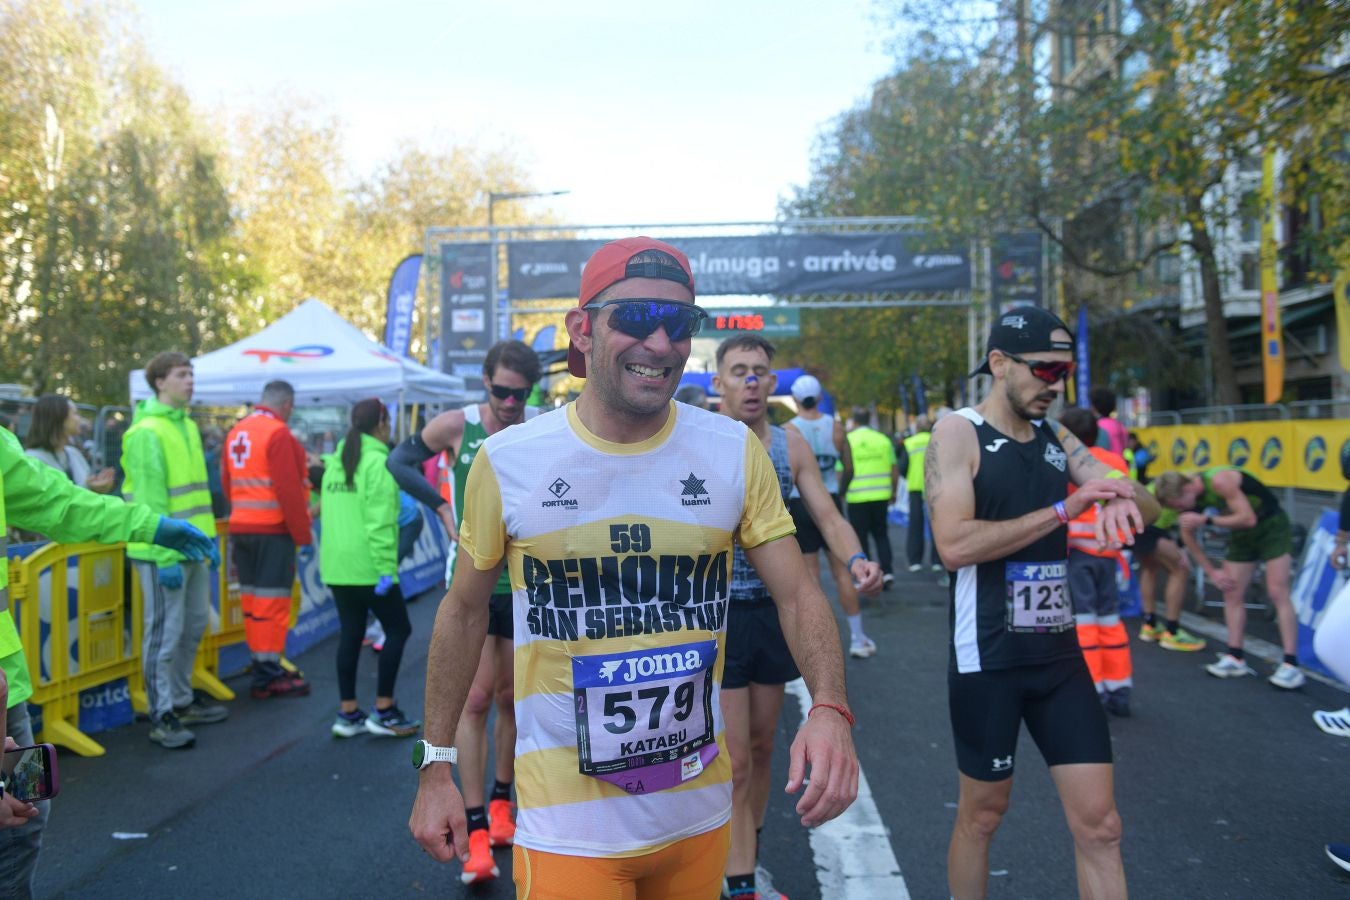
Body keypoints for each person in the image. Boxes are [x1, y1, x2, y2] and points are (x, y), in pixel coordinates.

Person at [409, 237, 859, 898]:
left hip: (697, 820)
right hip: (568, 831)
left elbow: (795, 592)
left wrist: (829, 707)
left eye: (678, 323)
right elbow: (463, 609)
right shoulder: (509, 461)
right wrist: (436, 766)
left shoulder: (733, 452)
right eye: (635, 318)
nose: (659, 341)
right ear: (582, 329)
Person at [926, 305, 1157, 900]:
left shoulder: (1057, 437)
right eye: (1046, 370)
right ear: (1000, 364)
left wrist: (1122, 497)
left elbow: (1149, 505)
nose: (1055, 384)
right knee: (982, 816)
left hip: (1058, 657)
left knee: (1102, 827)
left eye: (1065, 373)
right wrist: (1065, 510)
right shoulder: (959, 432)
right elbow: (953, 545)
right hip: (990, 658)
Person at [0, 423, 216, 895]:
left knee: (24, 821)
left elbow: (59, 502)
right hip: (1, 699)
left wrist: (150, 526)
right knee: (16, 830)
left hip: (7, 694)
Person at [716, 340, 882, 899]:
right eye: (739, 372)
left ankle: (747, 856)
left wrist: (856, 558)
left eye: (760, 373)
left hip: (773, 613)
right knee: (734, 759)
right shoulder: (698, 439)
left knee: (763, 747)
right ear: (720, 381)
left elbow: (828, 515)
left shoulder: (790, 445)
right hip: (715, 619)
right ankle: (739, 883)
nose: (751, 382)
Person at [387, 339, 542, 883]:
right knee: (475, 701)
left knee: (513, 699)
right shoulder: (457, 426)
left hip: (525, 588)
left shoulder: (539, 426)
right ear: (485, 382)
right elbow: (398, 460)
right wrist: (440, 506)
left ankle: (503, 803)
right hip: (474, 587)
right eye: (501, 391)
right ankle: (475, 830)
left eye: (520, 394)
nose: (509, 402)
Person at [122, 351, 229, 750]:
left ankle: (182, 701)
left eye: (191, 374)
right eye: (182, 374)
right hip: (162, 554)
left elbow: (194, 499)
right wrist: (166, 555)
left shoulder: (183, 424)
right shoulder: (148, 431)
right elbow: (150, 503)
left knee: (193, 625)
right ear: (159, 381)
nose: (190, 381)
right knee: (163, 637)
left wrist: (205, 544)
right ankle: (161, 714)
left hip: (191, 549)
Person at [1154, 468, 1305, 688]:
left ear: (1186, 489)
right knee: (1231, 591)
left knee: (1277, 591)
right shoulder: (1191, 500)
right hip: (1241, 535)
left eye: (1178, 504)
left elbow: (1248, 518)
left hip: (1270, 526)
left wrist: (1206, 519)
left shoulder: (1220, 480)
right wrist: (1212, 572)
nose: (1180, 509)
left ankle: (1291, 664)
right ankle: (1235, 656)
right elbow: (1187, 535)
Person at [322, 399, 419, 739]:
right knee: (398, 630)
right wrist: (385, 570)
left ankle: (348, 713)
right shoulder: (379, 463)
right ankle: (384, 710)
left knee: (350, 634)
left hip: (338, 566)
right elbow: (379, 524)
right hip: (368, 567)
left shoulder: (336, 462)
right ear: (382, 423)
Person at [222, 380, 314, 700]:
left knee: (252, 603)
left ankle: (262, 665)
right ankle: (268, 672)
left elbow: (226, 481)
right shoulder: (278, 434)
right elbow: (288, 491)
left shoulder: (237, 431)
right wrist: (303, 536)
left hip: (241, 529)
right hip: (272, 532)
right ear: (287, 404)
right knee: (273, 605)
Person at [786, 373, 877, 659]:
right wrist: (839, 491)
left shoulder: (789, 430)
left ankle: (815, 647)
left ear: (795, 400)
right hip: (830, 497)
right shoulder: (835, 427)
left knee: (810, 579)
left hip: (800, 502)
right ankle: (858, 638)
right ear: (821, 398)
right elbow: (847, 466)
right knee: (843, 573)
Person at [1058, 408, 1135, 716]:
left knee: (1084, 623)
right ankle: (1120, 687)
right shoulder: (1115, 460)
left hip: (1078, 553)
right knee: (1110, 620)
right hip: (1110, 553)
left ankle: (1092, 689)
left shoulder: (1070, 463)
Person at [1133, 492, 1207, 652]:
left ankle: (1150, 624)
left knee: (1150, 569)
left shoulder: (1154, 487)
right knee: (1180, 569)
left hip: (1139, 528)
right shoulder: (1177, 489)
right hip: (1152, 530)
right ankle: (1172, 631)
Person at [840, 407, 898, 590]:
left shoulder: (848, 440)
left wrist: (841, 492)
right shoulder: (882, 439)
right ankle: (887, 572)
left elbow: (841, 469)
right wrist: (893, 491)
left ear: (855, 421)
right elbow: (893, 468)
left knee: (860, 538)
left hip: (856, 496)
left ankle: (865, 574)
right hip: (880, 495)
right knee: (881, 535)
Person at [24, 395, 114, 493]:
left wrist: (94, 487)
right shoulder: (33, 460)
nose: (79, 419)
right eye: (75, 413)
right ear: (59, 418)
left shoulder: (73, 454)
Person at [899, 415, 942, 574]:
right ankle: (937, 561)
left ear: (916, 427)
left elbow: (902, 467)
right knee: (937, 525)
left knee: (915, 525)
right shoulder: (937, 440)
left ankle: (915, 561)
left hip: (916, 488)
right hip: (935, 487)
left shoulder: (910, 443)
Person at [1090, 387, 1127, 455]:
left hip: (1106, 464)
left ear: (1094, 406)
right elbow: (1124, 445)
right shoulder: (1119, 424)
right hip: (1120, 462)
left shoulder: (1097, 426)